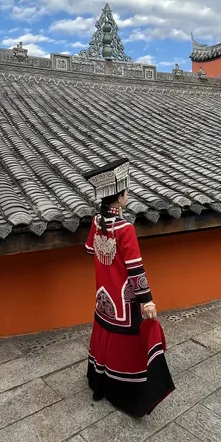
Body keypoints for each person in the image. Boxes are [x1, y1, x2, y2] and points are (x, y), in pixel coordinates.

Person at [83, 158, 175, 417]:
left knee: (104, 332)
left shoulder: (96, 222)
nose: (127, 195)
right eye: (126, 192)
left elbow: (90, 250)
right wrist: (147, 300)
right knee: (133, 335)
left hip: (104, 297)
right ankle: (128, 391)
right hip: (124, 298)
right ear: (120, 197)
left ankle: (101, 382)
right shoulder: (125, 229)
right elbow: (136, 269)